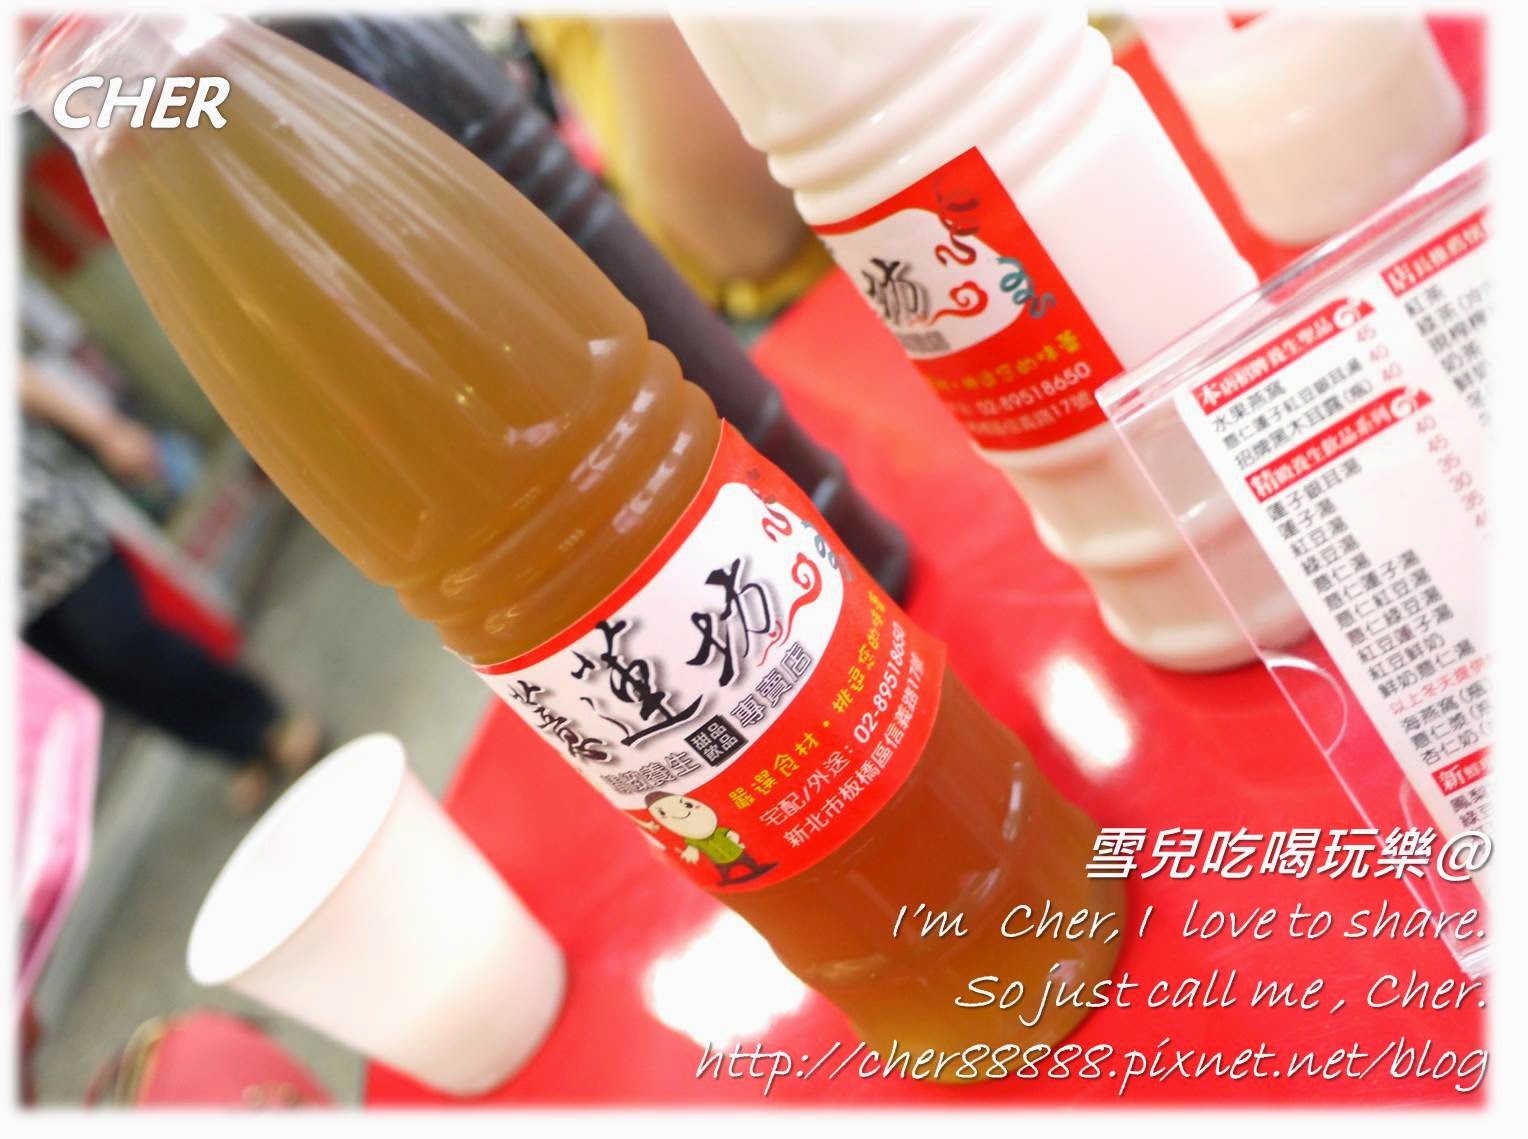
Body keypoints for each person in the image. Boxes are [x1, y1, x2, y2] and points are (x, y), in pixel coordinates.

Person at [18, 358, 322, 811]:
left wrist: (107, 431)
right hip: (18, 605)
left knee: (131, 644)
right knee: (115, 688)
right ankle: (239, 749)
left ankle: (267, 721)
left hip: (57, 541)